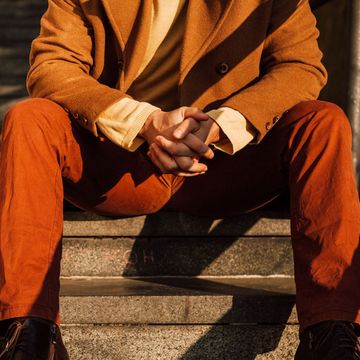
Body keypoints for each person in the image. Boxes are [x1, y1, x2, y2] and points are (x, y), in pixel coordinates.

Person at [0, 0, 359, 358]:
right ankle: (29, 330)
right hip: (122, 162)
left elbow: (300, 67)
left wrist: (222, 124)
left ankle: (331, 332)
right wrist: (144, 123)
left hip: (223, 161)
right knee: (30, 119)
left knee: (322, 121)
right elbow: (51, 67)